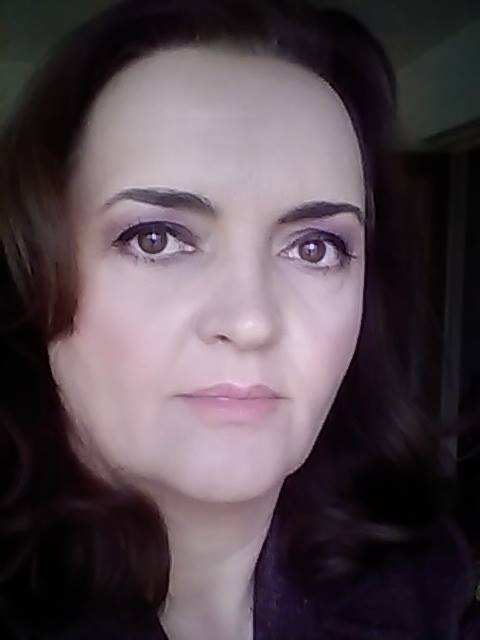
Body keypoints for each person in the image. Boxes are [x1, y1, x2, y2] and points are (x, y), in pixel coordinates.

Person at [0, 1, 473, 638]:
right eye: (157, 239)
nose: (251, 322)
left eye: (315, 248)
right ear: (34, 268)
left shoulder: (428, 584)